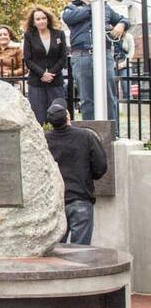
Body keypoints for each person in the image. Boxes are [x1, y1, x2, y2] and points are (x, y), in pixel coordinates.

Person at [62, 0, 130, 120]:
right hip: (82, 55)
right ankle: (90, 132)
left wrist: (122, 24)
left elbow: (125, 19)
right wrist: (95, 4)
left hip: (105, 54)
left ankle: (112, 133)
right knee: (87, 97)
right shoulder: (72, 7)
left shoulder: (106, 8)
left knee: (109, 95)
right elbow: (69, 18)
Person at [45, 98, 107, 245]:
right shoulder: (86, 136)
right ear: (68, 116)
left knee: (56, 251)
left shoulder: (44, 140)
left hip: (55, 201)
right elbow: (100, 167)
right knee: (81, 252)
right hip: (80, 197)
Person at [23, 6, 67, 124]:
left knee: (58, 114)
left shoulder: (59, 34)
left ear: (48, 19)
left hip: (55, 81)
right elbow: (28, 60)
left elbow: (63, 57)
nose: (41, 21)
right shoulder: (29, 36)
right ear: (33, 21)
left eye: (43, 18)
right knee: (38, 116)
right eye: (38, 19)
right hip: (36, 82)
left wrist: (51, 74)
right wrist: (42, 74)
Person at [113, 32, 135, 99]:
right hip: (113, 66)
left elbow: (131, 52)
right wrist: (114, 64)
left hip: (125, 65)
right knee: (113, 91)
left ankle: (128, 107)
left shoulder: (128, 36)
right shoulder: (111, 36)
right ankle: (115, 109)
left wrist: (122, 64)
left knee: (126, 90)